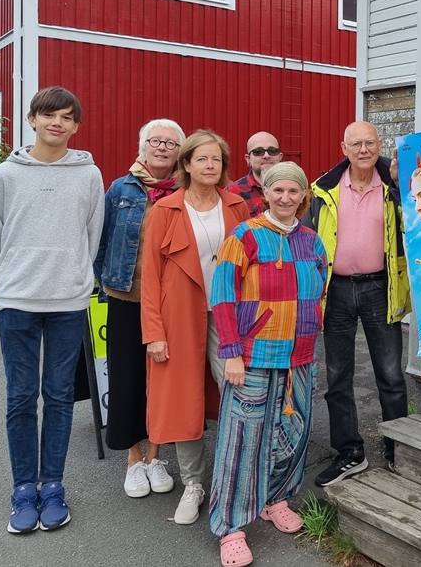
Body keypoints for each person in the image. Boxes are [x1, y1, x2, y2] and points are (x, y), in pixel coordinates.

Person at [0, 86, 105, 533]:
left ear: (76, 126)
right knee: (20, 398)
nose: (57, 123)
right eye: (48, 115)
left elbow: (92, 234)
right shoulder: (6, 174)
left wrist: (77, 275)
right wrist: (8, 282)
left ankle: (52, 486)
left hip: (68, 301)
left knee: (58, 397)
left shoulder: (88, 175)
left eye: (67, 117)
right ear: (32, 119)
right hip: (17, 300)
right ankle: (23, 489)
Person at [209, 162, 329, 567]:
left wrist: (310, 330)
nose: (285, 198)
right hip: (255, 356)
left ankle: (275, 500)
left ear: (303, 196)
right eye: (278, 190)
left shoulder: (313, 242)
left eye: (293, 191)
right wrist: (232, 353)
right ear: (266, 193)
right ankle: (231, 527)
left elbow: (320, 292)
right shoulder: (245, 236)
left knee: (292, 436)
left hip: (300, 356)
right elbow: (223, 296)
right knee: (242, 442)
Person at [141, 130, 249, 525]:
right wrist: (153, 332)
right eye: (202, 159)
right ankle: (194, 484)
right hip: (178, 317)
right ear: (186, 164)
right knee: (183, 400)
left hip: (228, 315)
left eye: (216, 160)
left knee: (239, 391)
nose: (209, 166)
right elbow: (150, 276)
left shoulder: (237, 206)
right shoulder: (165, 210)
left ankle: (235, 475)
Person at [308, 121, 411, 484]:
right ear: (344, 147)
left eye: (370, 143)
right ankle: (350, 452)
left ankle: (399, 448)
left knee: (391, 374)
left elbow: (418, 223)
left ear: (379, 144)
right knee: (337, 377)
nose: (364, 149)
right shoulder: (323, 191)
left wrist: (399, 184)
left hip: (380, 286)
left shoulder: (396, 185)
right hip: (335, 290)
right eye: (356, 144)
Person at [93, 119, 185, 499]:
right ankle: (133, 460)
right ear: (142, 145)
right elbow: (101, 240)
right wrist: (106, 280)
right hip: (127, 299)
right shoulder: (120, 188)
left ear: (180, 150)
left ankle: (156, 456)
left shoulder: (186, 189)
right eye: (155, 141)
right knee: (127, 379)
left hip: (170, 302)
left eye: (170, 142)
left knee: (161, 382)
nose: (162, 147)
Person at [227, 132, 283, 217]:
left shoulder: (295, 189)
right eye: (258, 151)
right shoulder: (232, 193)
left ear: (280, 157)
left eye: (272, 150)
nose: (266, 155)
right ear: (248, 159)